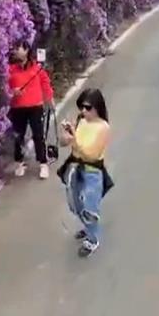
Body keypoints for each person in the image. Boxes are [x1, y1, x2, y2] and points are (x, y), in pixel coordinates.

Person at [59, 89, 114, 257]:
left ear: (97, 107)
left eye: (88, 108)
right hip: (75, 168)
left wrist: (74, 139)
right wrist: (66, 136)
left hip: (92, 171)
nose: (83, 111)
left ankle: (92, 239)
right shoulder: (81, 121)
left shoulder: (103, 127)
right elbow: (64, 144)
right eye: (81, 107)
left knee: (90, 207)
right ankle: (87, 226)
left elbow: (91, 154)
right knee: (75, 204)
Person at [7, 43, 54, 179]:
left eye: (18, 48)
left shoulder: (37, 68)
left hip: (35, 106)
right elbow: (5, 87)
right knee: (18, 136)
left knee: (38, 135)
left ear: (26, 50)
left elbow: (45, 82)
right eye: (14, 49)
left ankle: (43, 163)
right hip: (17, 107)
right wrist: (12, 92)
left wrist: (49, 98)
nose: (15, 51)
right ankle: (20, 162)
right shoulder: (10, 70)